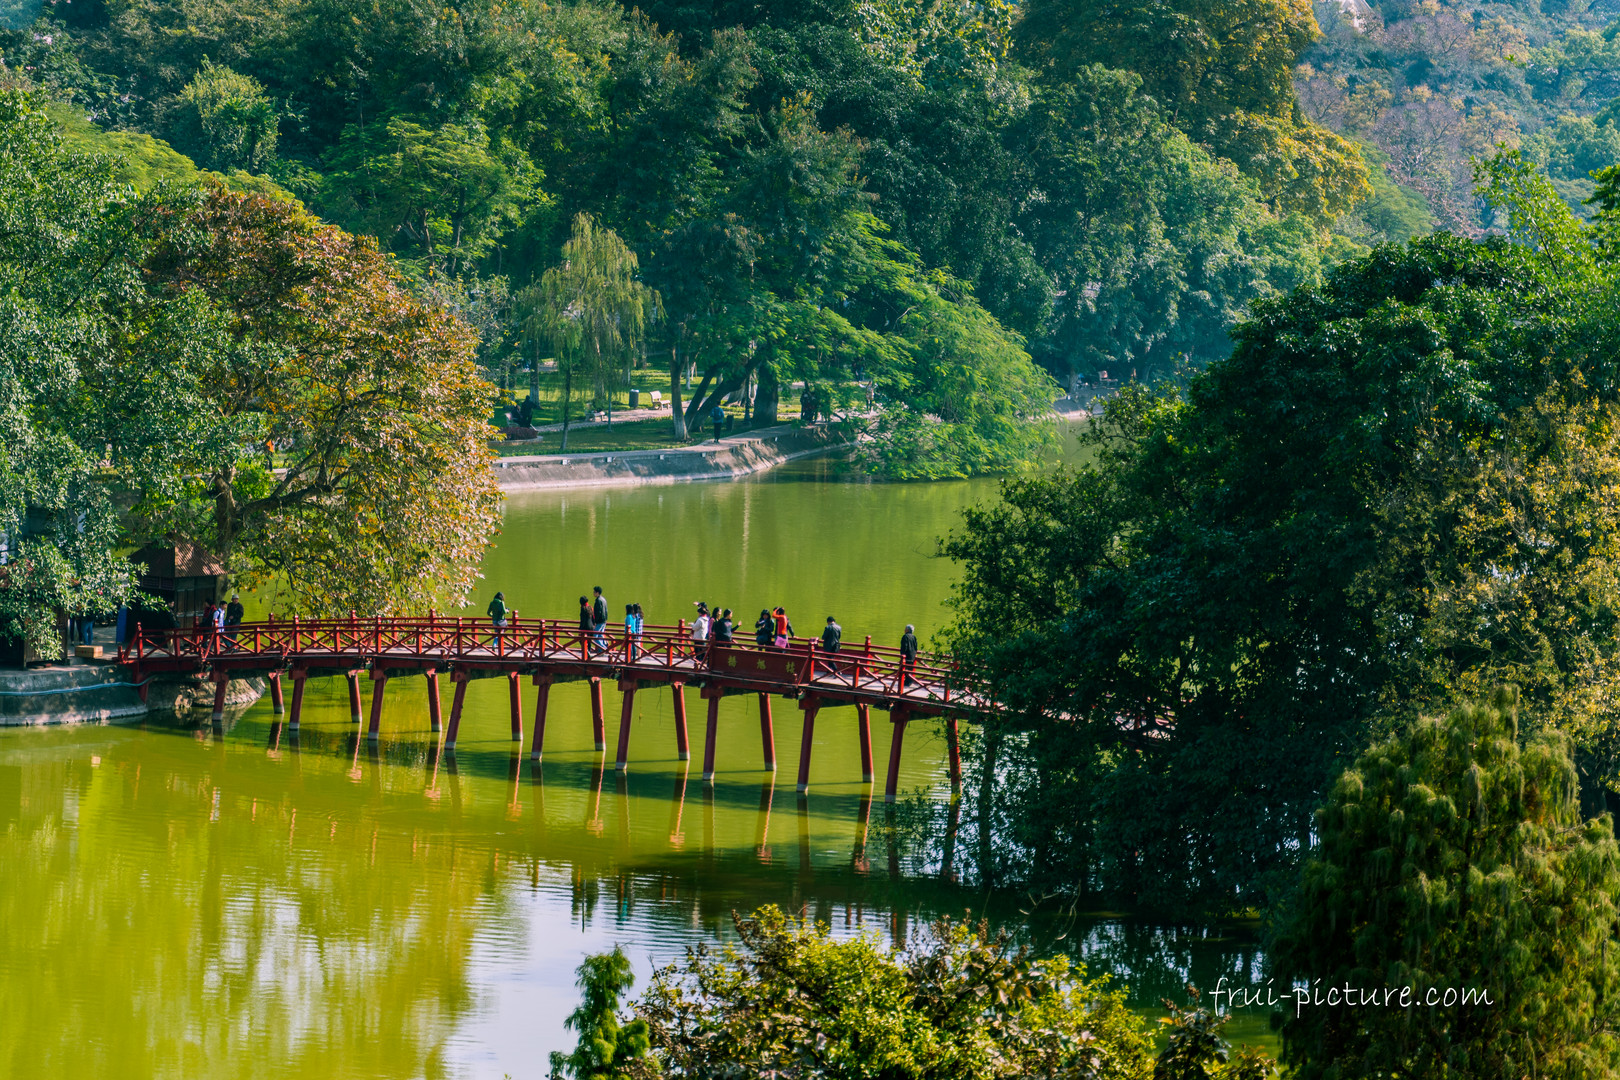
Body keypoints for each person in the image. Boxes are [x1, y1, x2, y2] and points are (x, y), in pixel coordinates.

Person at [591, 586, 608, 652]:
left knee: (595, 636)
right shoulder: (603, 599)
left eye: (594, 592)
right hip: (604, 620)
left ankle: (604, 649)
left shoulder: (598, 601)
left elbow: (598, 612)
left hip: (600, 621)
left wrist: (595, 621)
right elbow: (606, 610)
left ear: (597, 592)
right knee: (600, 635)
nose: (593, 593)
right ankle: (601, 651)